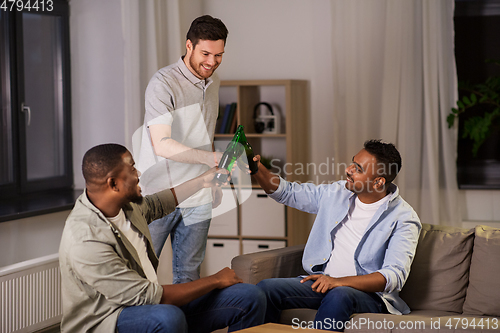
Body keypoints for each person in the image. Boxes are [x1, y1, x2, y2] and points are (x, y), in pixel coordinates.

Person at [59, 144, 265, 333]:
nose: (138, 173)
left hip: (147, 306)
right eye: (132, 169)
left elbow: (158, 203)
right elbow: (147, 296)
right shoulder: (85, 238)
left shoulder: (125, 206)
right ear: (113, 183)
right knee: (167, 318)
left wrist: (203, 181)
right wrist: (216, 280)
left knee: (249, 297)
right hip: (107, 321)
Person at [252, 140, 421, 332]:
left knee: (339, 294)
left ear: (378, 182)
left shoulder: (404, 218)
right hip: (324, 282)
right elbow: (288, 192)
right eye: (352, 163)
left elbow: (394, 276)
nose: (349, 170)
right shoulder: (337, 192)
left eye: (358, 168)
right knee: (266, 289)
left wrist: (338, 282)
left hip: (368, 296)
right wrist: (257, 169)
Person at [136, 15, 228, 284]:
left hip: (197, 193)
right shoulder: (163, 83)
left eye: (219, 55)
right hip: (158, 195)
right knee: (142, 273)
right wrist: (212, 158)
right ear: (189, 46)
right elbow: (161, 144)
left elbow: (204, 134)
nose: (211, 62)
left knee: (189, 276)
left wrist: (214, 180)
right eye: (205, 53)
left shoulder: (213, 82)